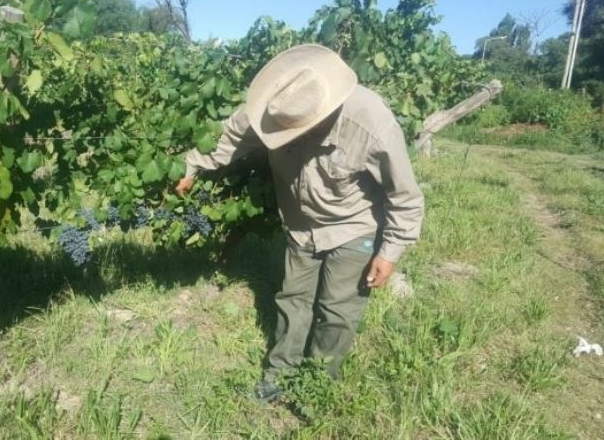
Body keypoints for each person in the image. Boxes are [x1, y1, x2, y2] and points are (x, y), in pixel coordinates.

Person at [174, 44, 424, 402]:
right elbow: (230, 138)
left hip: (354, 224)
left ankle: (317, 384)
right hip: (300, 223)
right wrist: (192, 166)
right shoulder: (277, 106)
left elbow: (405, 197)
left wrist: (390, 252)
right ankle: (280, 374)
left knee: (337, 310)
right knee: (293, 298)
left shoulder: (372, 125)